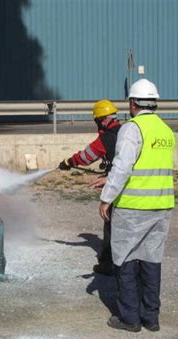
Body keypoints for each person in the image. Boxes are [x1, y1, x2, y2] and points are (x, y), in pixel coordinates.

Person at [99, 79, 175, 332]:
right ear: (154, 103)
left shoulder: (132, 128)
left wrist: (107, 197)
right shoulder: (165, 130)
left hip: (133, 206)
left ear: (132, 103)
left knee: (126, 259)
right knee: (151, 260)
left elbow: (122, 167)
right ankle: (151, 317)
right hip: (162, 205)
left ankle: (130, 318)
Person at [58, 99, 121, 275]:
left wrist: (69, 162)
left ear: (101, 120)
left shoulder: (105, 138)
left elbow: (87, 156)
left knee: (110, 223)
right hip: (129, 183)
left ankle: (108, 264)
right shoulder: (125, 131)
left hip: (115, 186)